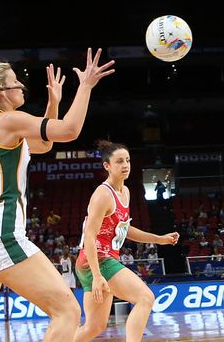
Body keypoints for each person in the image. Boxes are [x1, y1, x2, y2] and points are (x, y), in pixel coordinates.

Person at [0, 51, 114, 342]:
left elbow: (43, 145)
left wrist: (53, 103)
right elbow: (69, 131)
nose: (21, 85)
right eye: (15, 81)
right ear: (0, 91)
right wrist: (85, 86)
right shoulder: (8, 120)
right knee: (67, 311)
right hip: (1, 233)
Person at [74, 141, 179, 342]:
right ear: (107, 166)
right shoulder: (103, 194)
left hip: (91, 262)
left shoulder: (125, 192)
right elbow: (89, 236)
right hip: (98, 260)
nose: (125, 165)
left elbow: (124, 229)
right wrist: (97, 275)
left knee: (94, 327)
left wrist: (159, 239)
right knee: (145, 298)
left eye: (128, 160)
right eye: (119, 161)